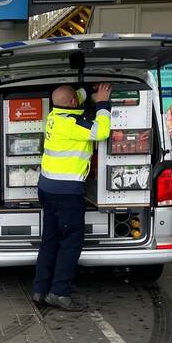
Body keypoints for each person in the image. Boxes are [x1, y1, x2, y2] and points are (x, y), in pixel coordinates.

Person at [32, 82, 113, 312]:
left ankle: (40, 289)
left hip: (47, 188)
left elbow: (74, 96)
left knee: (50, 239)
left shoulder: (54, 116)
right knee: (70, 243)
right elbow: (102, 131)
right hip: (67, 192)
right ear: (72, 103)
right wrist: (103, 103)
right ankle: (59, 293)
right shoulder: (73, 123)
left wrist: (88, 88)